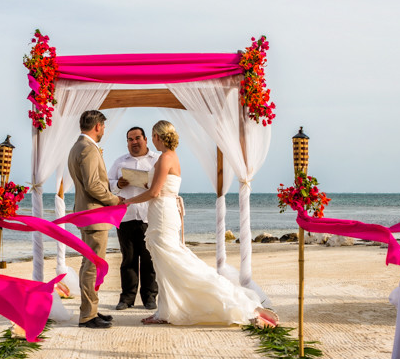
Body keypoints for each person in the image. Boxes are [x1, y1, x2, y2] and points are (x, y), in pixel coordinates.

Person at [126, 121, 277, 327]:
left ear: (158, 137)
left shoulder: (164, 158)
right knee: (165, 264)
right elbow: (159, 187)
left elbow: (154, 192)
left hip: (162, 212)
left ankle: (236, 304)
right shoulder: (171, 157)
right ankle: (165, 309)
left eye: (153, 136)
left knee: (174, 262)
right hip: (164, 210)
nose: (152, 140)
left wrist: (127, 201)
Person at [67, 110, 125, 329]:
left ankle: (89, 308)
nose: (103, 130)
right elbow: (92, 185)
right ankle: (87, 316)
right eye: (103, 126)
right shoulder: (89, 149)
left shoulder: (77, 147)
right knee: (92, 265)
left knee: (88, 264)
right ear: (98, 126)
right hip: (94, 214)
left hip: (86, 213)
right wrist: (113, 200)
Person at [109, 126, 159, 311]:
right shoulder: (120, 162)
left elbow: (165, 183)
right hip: (126, 216)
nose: (134, 142)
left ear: (145, 139)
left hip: (149, 216)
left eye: (137, 138)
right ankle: (127, 298)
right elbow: (108, 183)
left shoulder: (157, 160)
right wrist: (117, 184)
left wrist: (151, 184)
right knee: (128, 259)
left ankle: (149, 298)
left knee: (148, 259)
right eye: (130, 139)